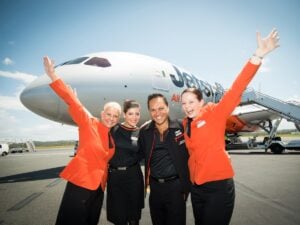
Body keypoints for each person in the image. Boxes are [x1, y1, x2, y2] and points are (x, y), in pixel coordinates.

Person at [180, 29, 280, 225]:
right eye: (184, 103)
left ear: (201, 102)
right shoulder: (185, 123)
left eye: (191, 102)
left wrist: (257, 56)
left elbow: (236, 88)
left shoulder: (215, 114)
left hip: (218, 186)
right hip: (197, 187)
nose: (187, 107)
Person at [43, 56, 122, 225]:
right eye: (108, 114)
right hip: (80, 184)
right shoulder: (89, 123)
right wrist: (53, 75)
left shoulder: (111, 136)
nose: (111, 118)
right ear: (102, 114)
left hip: (98, 188)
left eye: (115, 116)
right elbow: (72, 102)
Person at [138, 93, 190, 225]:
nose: (157, 113)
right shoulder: (145, 132)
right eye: (153, 110)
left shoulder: (181, 126)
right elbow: (136, 153)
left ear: (168, 108)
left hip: (176, 188)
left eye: (161, 108)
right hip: (155, 189)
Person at [107, 100, 144, 225]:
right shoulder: (113, 129)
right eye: (130, 114)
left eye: (137, 114)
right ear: (124, 114)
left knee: (134, 216)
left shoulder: (140, 132)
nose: (134, 117)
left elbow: (142, 153)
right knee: (119, 217)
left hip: (133, 176)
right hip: (115, 177)